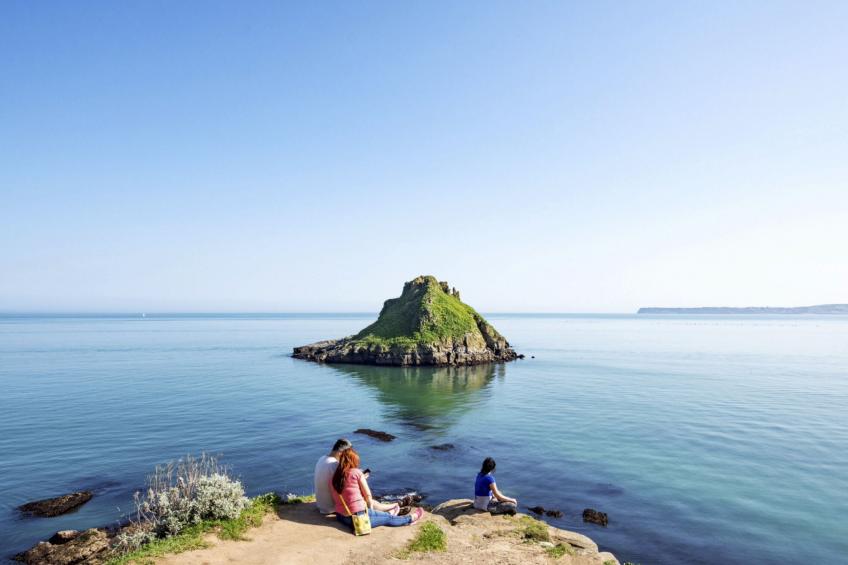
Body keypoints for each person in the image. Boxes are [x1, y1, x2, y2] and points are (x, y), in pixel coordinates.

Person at [331, 446, 424, 530]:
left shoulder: (335, 477)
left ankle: (390, 513)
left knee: (380, 514)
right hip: (357, 518)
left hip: (341, 516)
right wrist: (369, 510)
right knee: (387, 519)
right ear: (353, 460)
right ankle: (410, 519)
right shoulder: (356, 473)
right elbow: (368, 496)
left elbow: (347, 491)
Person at [314, 438, 351, 514]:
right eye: (347, 454)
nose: (347, 457)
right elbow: (348, 486)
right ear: (340, 453)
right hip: (332, 507)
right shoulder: (334, 465)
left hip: (321, 505)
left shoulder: (321, 459)